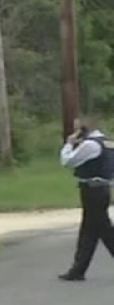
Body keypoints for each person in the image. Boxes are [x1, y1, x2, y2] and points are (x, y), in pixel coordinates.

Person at [57, 115, 114, 281]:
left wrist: (69, 144)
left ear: (84, 129)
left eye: (77, 129)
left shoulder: (90, 145)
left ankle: (78, 269)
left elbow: (67, 161)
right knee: (89, 231)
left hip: (92, 190)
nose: (74, 132)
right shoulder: (108, 142)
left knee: (104, 230)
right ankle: (78, 269)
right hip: (102, 188)